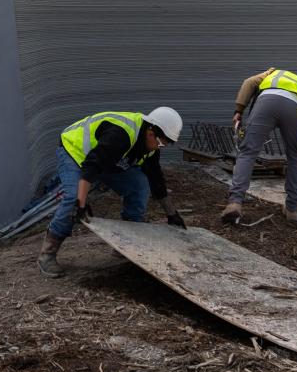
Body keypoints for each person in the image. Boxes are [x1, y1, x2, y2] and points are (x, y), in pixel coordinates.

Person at [37, 107, 186, 278]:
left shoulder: (151, 146)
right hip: (75, 152)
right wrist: (81, 203)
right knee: (72, 198)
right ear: (151, 132)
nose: (161, 147)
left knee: (139, 186)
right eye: (162, 142)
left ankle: (126, 244)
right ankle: (47, 254)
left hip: (106, 159)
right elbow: (91, 166)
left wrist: (171, 214)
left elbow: (156, 179)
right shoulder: (120, 135)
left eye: (166, 144)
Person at [221, 68, 297, 224]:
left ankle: (234, 204)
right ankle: (292, 210)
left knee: (248, 152)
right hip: (293, 110)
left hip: (266, 103)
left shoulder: (273, 73)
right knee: (294, 157)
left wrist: (239, 110)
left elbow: (248, 82)